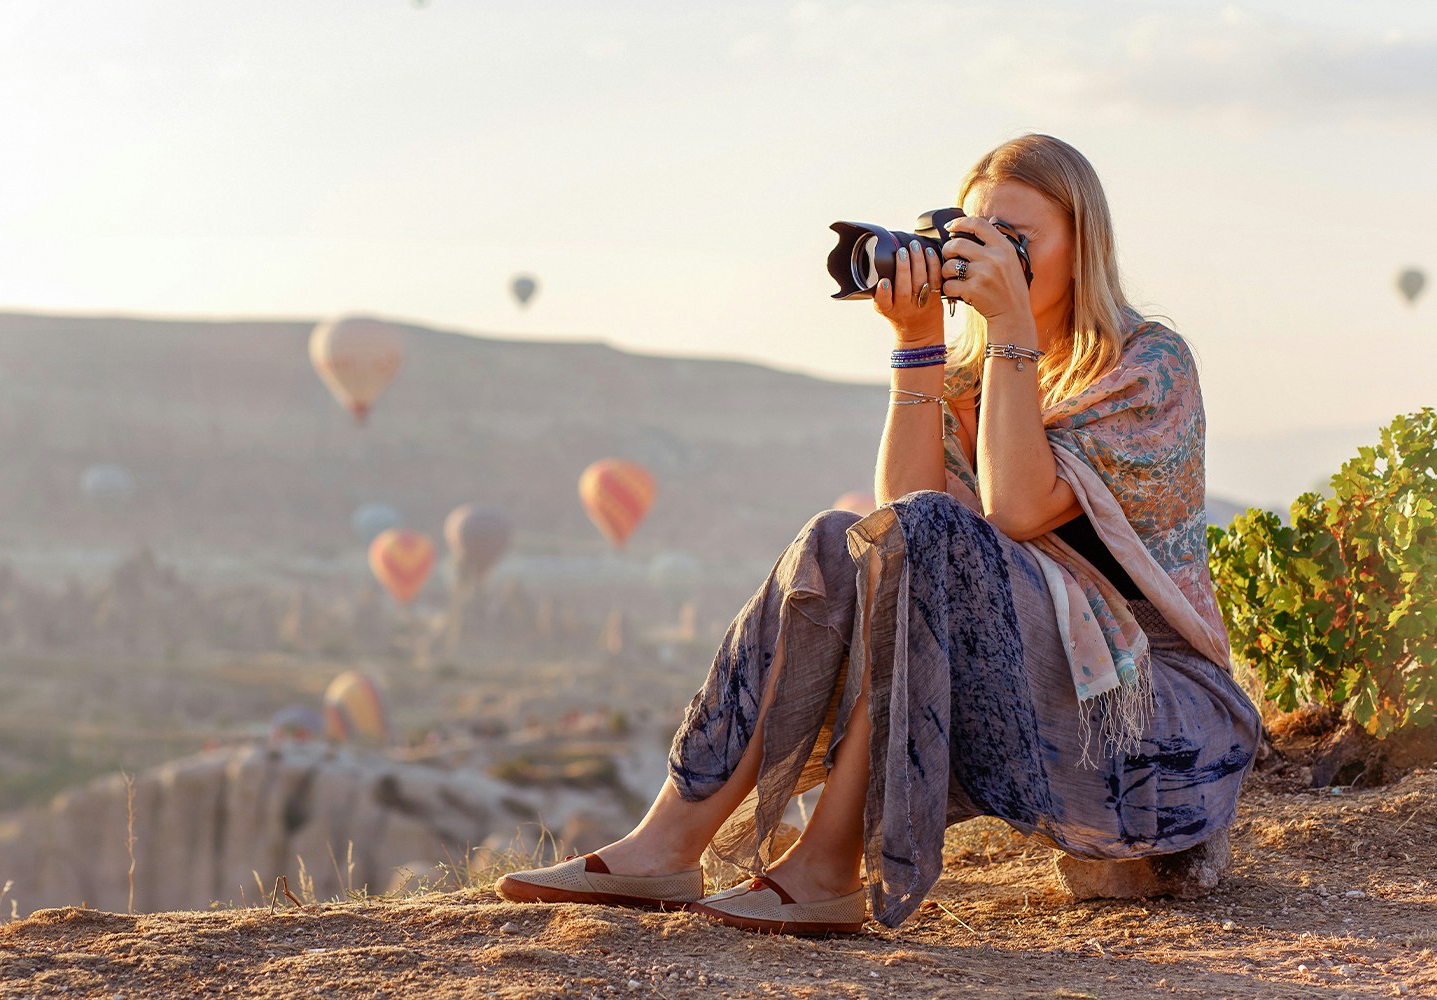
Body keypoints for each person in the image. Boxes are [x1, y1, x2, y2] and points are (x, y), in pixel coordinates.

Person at [496, 134, 1262, 935]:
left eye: (1018, 242)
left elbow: (1015, 510)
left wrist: (1006, 328)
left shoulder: (1147, 364)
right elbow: (899, 523)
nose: (992, 257)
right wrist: (917, 343)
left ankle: (829, 865)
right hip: (1038, 697)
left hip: (1153, 734)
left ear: (1084, 246)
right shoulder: (977, 375)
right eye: (975, 237)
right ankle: (667, 842)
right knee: (838, 538)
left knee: (925, 533)